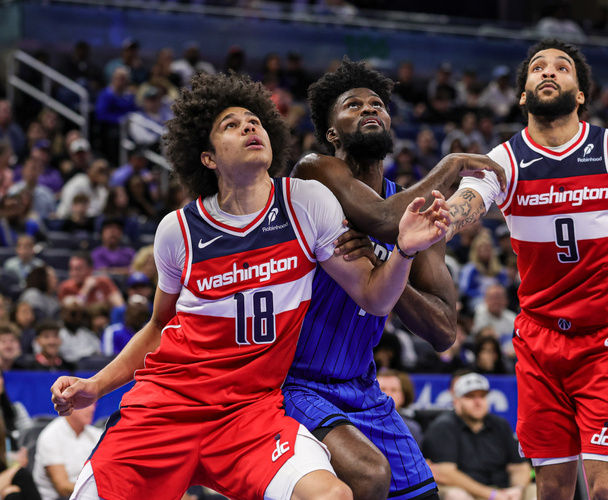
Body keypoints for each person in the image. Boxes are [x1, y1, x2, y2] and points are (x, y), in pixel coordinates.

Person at [50, 72, 449, 500]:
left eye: (255, 120)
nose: (249, 126)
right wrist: (96, 384)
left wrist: (404, 252)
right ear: (207, 158)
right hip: (170, 406)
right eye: (231, 125)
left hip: (250, 412)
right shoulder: (177, 231)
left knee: (334, 495)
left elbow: (374, 296)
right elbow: (157, 327)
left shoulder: (304, 203)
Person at [441, 39, 608, 499]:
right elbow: (464, 206)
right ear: (523, 95)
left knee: (604, 490)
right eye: (538, 67)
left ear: (579, 94)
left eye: (562, 68)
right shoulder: (504, 160)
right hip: (539, 342)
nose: (549, 72)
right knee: (553, 489)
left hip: (607, 340)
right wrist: (439, 221)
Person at [284, 59, 503, 500]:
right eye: (352, 105)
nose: (369, 109)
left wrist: (393, 269)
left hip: (361, 386)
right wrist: (453, 163)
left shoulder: (419, 213)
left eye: (378, 104)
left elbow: (443, 331)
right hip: (294, 381)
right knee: (368, 476)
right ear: (331, 133)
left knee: (423, 495)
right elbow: (384, 220)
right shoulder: (314, 172)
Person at [422, 372, 531, 500]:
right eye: (470, 396)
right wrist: (491, 494)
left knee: (536, 492)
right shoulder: (443, 426)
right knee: (457, 496)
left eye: (482, 396)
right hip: (467, 491)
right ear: (456, 401)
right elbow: (445, 473)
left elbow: (519, 466)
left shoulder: (500, 424)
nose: (478, 402)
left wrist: (517, 489)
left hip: (502, 490)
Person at [32, 406, 101, 500]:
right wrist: (101, 489)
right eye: (87, 404)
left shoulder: (96, 435)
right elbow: (63, 487)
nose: (92, 409)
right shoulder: (51, 436)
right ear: (71, 405)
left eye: (94, 403)